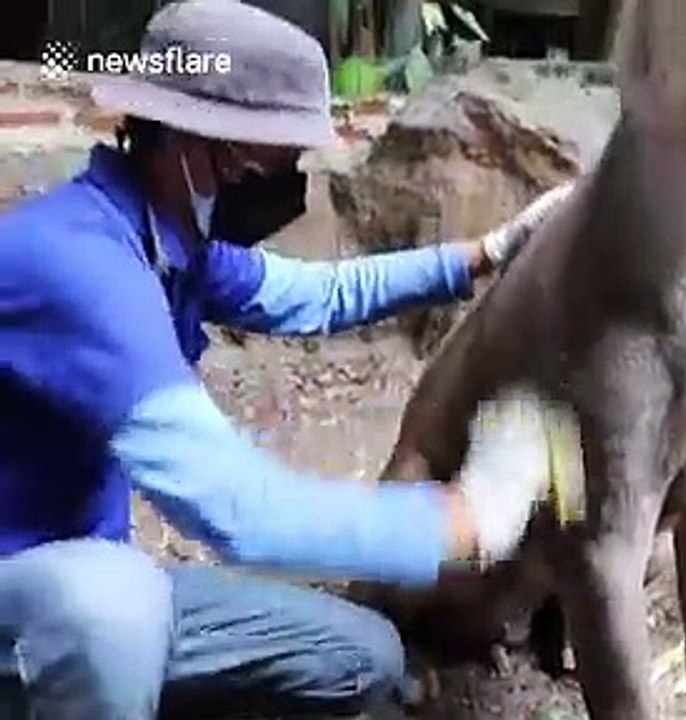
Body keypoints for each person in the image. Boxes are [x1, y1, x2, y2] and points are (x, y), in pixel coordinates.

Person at [0, 1, 573, 718]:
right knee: (112, 607)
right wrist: (465, 519)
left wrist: (488, 252)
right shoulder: (79, 268)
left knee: (360, 658)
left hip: (84, 587)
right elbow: (245, 513)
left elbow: (320, 294)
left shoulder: (167, 245)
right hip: (44, 597)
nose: (291, 178)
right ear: (195, 144)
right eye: (275, 158)